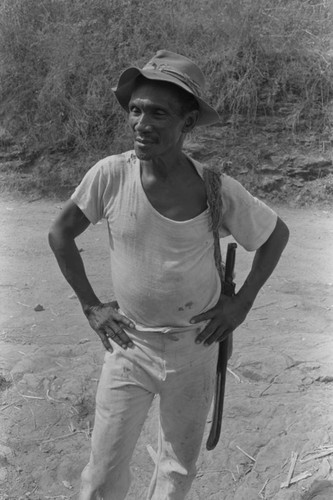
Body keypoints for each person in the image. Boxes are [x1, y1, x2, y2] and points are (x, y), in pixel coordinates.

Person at [48, 50, 289, 500]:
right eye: (135, 110)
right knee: (102, 472)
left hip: (195, 349)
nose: (142, 123)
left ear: (188, 123)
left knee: (177, 470)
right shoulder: (110, 176)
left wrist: (240, 305)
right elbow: (60, 233)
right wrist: (92, 306)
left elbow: (276, 235)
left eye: (158, 113)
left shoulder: (214, 188)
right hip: (128, 346)